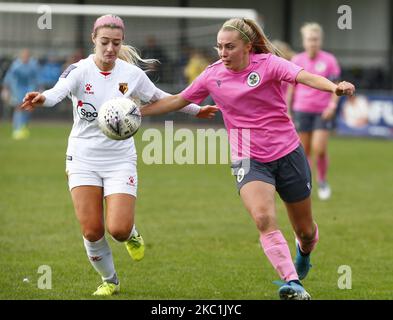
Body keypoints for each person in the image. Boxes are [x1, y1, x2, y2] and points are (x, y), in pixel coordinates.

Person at [140, 18, 355, 300]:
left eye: (229, 47)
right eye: (219, 47)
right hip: (247, 156)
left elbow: (304, 76)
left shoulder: (268, 64)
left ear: (248, 47)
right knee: (264, 218)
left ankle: (304, 250)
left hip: (288, 152)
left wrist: (333, 88)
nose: (222, 52)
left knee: (305, 230)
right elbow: (179, 99)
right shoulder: (211, 74)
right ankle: (293, 283)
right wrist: (136, 112)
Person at [21, 15, 217, 296]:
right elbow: (57, 92)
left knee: (119, 229)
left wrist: (197, 110)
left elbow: (161, 97)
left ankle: (131, 234)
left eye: (116, 43)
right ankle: (110, 281)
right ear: (93, 40)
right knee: (91, 230)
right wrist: (42, 98)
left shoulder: (131, 75)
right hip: (83, 157)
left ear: (121, 42)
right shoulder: (78, 70)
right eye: (104, 43)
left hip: (119, 159)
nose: (110, 48)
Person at [288, 23, 341, 200]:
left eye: (316, 39)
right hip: (302, 110)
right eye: (310, 39)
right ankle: (307, 182)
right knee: (305, 151)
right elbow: (290, 90)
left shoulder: (329, 60)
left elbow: (336, 87)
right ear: (304, 41)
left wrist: (332, 106)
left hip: (322, 112)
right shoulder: (297, 60)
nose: (313, 43)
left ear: (321, 41)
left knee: (320, 149)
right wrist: (287, 110)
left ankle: (323, 180)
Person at [2, 48, 40, 139]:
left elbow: (36, 77)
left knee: (28, 107)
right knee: (19, 107)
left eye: (27, 56)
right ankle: (17, 128)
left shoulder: (33, 65)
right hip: (17, 88)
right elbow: (10, 77)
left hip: (29, 88)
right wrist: (6, 89)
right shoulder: (16, 65)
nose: (25, 58)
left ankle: (23, 126)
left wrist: (38, 88)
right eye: (24, 56)